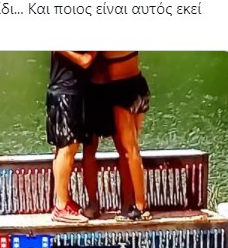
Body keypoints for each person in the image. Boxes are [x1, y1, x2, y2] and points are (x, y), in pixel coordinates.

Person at [92, 51, 152, 221]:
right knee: (131, 151)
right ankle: (130, 204)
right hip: (139, 83)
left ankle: (140, 207)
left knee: (130, 150)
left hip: (121, 89)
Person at [46, 51, 97, 223]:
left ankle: (63, 200)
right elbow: (85, 61)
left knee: (64, 147)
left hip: (71, 91)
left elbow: (86, 60)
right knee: (67, 147)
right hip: (65, 92)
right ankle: (61, 207)